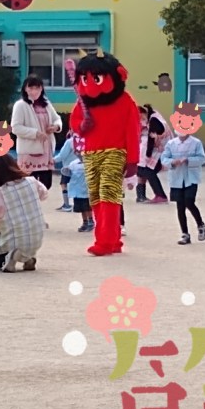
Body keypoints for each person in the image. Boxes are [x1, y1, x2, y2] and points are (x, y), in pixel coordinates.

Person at [68, 49, 141, 256]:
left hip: (115, 152)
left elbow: (133, 131)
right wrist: (82, 125)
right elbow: (75, 123)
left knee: (108, 194)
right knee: (96, 196)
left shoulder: (125, 101)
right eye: (85, 79)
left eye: (96, 78)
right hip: (91, 153)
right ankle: (113, 238)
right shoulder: (84, 103)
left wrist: (132, 160)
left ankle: (104, 241)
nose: (89, 84)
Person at [0, 154, 49, 272]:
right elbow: (44, 194)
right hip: (36, 238)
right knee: (24, 238)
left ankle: (12, 257)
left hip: (13, 239)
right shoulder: (32, 181)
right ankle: (28, 258)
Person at [10, 75, 62, 189]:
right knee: (28, 184)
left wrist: (56, 126)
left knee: (46, 185)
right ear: (25, 89)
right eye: (31, 88)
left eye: (37, 88)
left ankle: (39, 200)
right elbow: (15, 127)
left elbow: (57, 118)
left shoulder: (46, 104)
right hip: (29, 151)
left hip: (46, 151)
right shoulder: (20, 105)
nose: (34, 91)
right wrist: (35, 133)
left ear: (41, 89)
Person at [160, 123, 205, 245]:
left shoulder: (196, 143)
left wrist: (188, 160)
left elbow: (202, 158)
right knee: (180, 206)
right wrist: (172, 162)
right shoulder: (171, 143)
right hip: (176, 179)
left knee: (189, 201)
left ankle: (200, 224)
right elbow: (164, 159)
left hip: (191, 178)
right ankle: (185, 234)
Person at [136, 104, 171, 203]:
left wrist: (147, 155)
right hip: (157, 149)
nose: (140, 119)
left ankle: (160, 195)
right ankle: (141, 196)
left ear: (144, 113)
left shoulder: (153, 121)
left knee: (148, 172)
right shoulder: (153, 116)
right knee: (142, 171)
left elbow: (151, 140)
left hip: (158, 150)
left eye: (141, 117)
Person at [53, 130, 77, 211]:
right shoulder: (82, 140)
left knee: (64, 184)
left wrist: (53, 160)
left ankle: (66, 205)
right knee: (77, 185)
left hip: (67, 167)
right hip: (79, 167)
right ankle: (77, 204)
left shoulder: (69, 142)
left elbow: (62, 155)